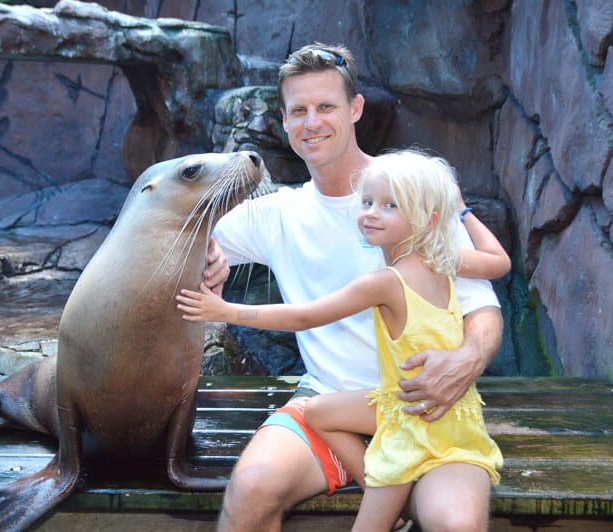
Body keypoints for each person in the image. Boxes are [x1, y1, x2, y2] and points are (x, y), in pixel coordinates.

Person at [199, 43, 506, 531]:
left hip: (425, 406)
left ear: (355, 108)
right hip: (330, 406)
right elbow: (186, 241)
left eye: (326, 107)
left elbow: (483, 310)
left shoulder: (409, 194)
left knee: (456, 524)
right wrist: (206, 258)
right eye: (298, 111)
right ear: (283, 121)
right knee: (251, 486)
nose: (312, 122)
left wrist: (466, 361)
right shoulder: (277, 213)